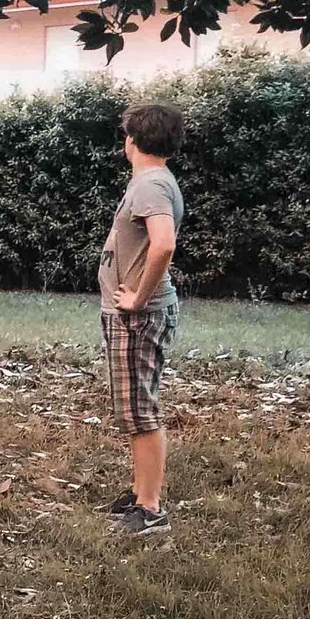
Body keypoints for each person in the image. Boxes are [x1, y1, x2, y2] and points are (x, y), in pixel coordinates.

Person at [98, 104, 186, 536]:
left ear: (131, 139)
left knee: (139, 410)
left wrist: (138, 298)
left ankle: (149, 509)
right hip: (134, 315)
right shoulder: (153, 181)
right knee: (134, 406)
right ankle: (139, 493)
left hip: (139, 317)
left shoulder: (151, 184)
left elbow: (163, 244)